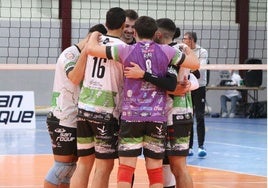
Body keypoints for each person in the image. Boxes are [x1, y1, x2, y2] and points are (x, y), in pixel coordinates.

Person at [86, 16, 200, 188]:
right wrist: (187, 49)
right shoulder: (167, 52)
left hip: (132, 117)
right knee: (155, 171)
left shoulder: (125, 50)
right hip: (157, 118)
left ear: (135, 32)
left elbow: (91, 50)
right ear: (155, 33)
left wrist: (95, 34)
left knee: (126, 169)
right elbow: (195, 64)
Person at [125, 18, 198, 188]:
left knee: (179, 167)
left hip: (175, 115)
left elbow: (170, 84)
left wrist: (143, 75)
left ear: (157, 34)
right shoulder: (178, 51)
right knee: (165, 165)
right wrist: (187, 85)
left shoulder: (169, 53)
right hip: (172, 114)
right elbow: (196, 76)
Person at [44, 23, 107, 188]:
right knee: (62, 168)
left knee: (69, 170)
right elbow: (74, 77)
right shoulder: (70, 54)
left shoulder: (88, 56)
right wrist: (87, 50)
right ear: (91, 37)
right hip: (62, 118)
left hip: (75, 118)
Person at [69, 7, 126, 188]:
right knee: (103, 167)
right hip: (106, 112)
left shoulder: (92, 44)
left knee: (84, 164)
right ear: (124, 25)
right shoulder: (124, 48)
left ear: (106, 22)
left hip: (84, 109)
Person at [182, 31, 208, 158]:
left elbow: (199, 68)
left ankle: (201, 146)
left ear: (191, 40)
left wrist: (189, 65)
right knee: (189, 117)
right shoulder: (183, 50)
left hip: (200, 87)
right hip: (188, 87)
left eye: (185, 38)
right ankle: (190, 146)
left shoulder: (202, 52)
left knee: (200, 116)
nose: (183, 40)